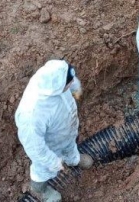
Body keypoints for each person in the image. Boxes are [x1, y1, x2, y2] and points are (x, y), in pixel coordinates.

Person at [15, 60, 93, 202]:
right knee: (44, 170)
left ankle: (73, 159)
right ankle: (40, 190)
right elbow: (35, 148)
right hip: (50, 146)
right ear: (57, 86)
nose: (72, 83)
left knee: (70, 146)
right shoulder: (32, 114)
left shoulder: (57, 77)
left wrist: (76, 88)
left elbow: (70, 77)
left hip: (66, 132)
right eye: (68, 84)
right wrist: (52, 162)